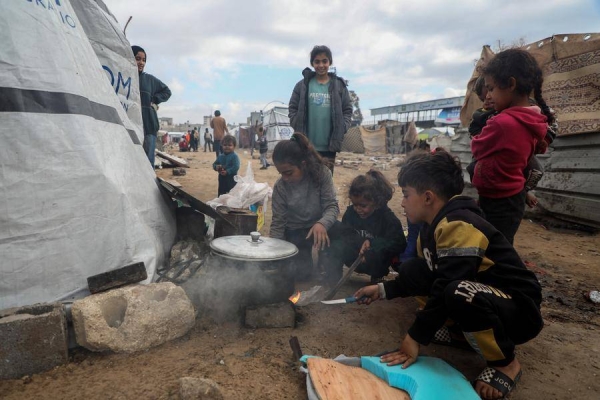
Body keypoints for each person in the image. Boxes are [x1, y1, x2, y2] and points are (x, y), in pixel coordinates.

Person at [354, 149, 543, 400]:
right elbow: (428, 274)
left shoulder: (459, 224)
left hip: (518, 311)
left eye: (406, 195)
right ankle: (460, 333)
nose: (402, 202)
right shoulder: (430, 228)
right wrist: (383, 290)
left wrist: (414, 337)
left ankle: (505, 363)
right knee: (414, 267)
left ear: (428, 197)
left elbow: (447, 283)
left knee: (457, 291)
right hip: (483, 295)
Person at [471, 49, 555, 244]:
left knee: (494, 246)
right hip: (511, 196)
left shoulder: (502, 123)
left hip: (498, 198)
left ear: (510, 84)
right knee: (501, 242)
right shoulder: (532, 118)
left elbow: (477, 147)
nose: (489, 96)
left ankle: (504, 273)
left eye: (491, 89)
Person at [270, 133, 347, 283]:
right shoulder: (280, 187)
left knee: (340, 231)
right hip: (296, 232)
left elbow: (332, 206)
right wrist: (274, 254)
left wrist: (321, 223)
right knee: (300, 275)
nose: (285, 178)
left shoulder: (322, 174)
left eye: (288, 173)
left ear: (303, 164)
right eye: (281, 173)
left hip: (320, 229)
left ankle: (328, 265)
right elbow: (278, 223)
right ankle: (310, 264)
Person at [334, 170, 407, 283]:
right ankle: (333, 276)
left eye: (363, 205)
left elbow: (399, 243)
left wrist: (373, 245)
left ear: (376, 202)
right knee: (336, 243)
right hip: (354, 257)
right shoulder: (350, 214)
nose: (358, 209)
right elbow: (345, 233)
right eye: (355, 204)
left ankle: (377, 277)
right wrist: (360, 242)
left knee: (381, 254)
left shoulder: (388, 219)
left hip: (375, 262)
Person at [288, 45, 353, 173]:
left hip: (329, 147)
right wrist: (296, 124)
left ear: (330, 62)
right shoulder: (302, 86)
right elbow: (292, 108)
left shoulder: (339, 86)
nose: (321, 65)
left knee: (326, 183)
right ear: (312, 63)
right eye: (317, 61)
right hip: (307, 146)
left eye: (325, 61)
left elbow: (347, 110)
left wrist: (342, 127)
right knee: (306, 181)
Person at [132, 46, 171, 168]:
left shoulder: (149, 80)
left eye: (144, 60)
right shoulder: (125, 78)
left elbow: (167, 91)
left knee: (148, 164)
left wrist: (154, 100)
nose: (141, 63)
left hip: (149, 127)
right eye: (138, 58)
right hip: (131, 127)